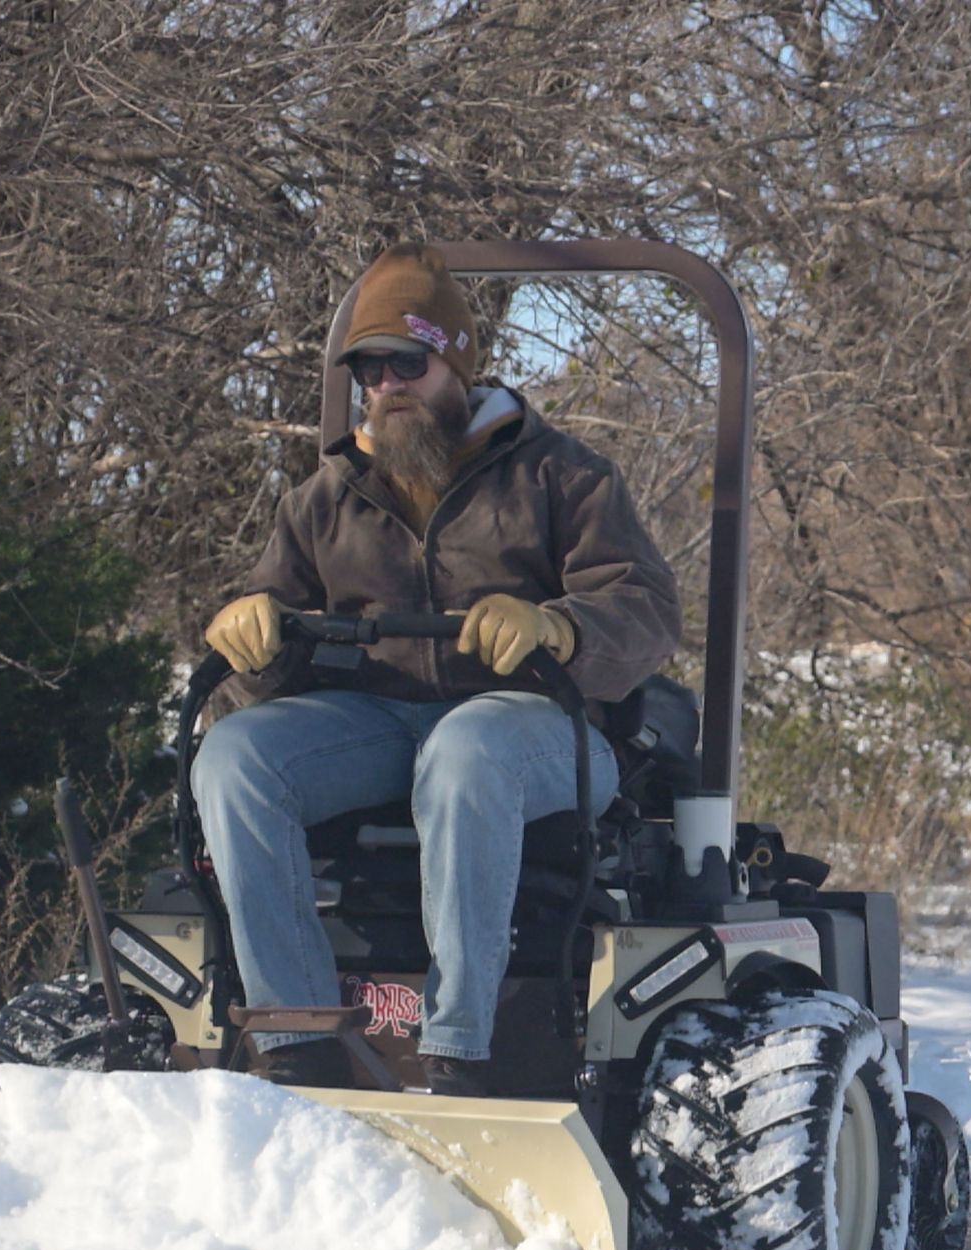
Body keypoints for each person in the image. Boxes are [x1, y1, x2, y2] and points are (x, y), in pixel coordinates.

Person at [193, 242, 682, 1094]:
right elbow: (267, 660)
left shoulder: (561, 477)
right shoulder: (325, 498)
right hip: (376, 724)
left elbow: (645, 611)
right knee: (235, 758)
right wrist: (253, 639)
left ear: (455, 362)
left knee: (467, 745)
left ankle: (458, 1050)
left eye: (406, 363)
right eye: (369, 368)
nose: (385, 385)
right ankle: (295, 1044)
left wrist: (560, 628)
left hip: (543, 734)